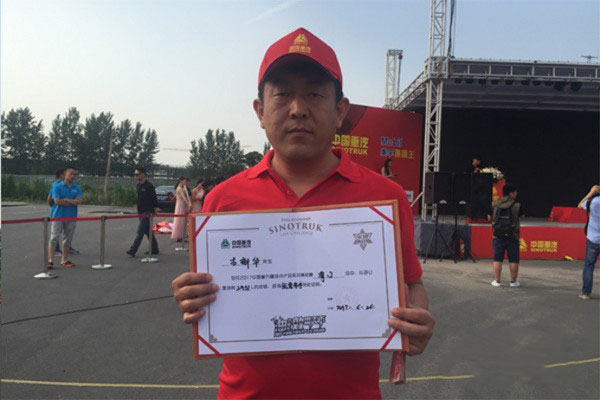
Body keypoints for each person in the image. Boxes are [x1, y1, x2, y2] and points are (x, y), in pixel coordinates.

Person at [171, 27, 435, 399]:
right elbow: (208, 298)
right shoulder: (223, 200)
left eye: (314, 94)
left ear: (340, 111)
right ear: (260, 111)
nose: (298, 109)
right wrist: (193, 297)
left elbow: (411, 284)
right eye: (282, 94)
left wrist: (417, 321)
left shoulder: (384, 198)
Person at [48, 167, 82, 268]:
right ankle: (51, 260)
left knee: (68, 239)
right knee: (54, 238)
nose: (73, 176)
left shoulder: (77, 188)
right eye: (71, 173)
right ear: (65, 174)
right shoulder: (57, 186)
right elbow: (57, 201)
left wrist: (66, 200)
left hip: (71, 217)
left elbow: (79, 201)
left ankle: (64, 259)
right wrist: (72, 202)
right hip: (58, 216)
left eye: (75, 174)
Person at [489, 184, 523, 287]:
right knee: (514, 259)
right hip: (513, 235)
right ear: (511, 193)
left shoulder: (495, 204)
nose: (516, 194)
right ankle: (513, 282)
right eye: (515, 192)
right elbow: (522, 217)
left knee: (497, 259)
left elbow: (489, 217)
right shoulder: (517, 205)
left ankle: (497, 281)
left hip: (497, 235)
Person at [127, 167, 159, 257]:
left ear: (143, 174)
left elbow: (154, 199)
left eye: (137, 174)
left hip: (148, 211)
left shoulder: (149, 186)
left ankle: (133, 250)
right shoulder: (138, 186)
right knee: (148, 231)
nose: (136, 176)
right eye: (135, 175)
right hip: (140, 211)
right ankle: (154, 248)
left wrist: (154, 210)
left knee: (140, 231)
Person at [577, 184, 600, 299]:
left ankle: (586, 293)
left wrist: (591, 193)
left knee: (589, 266)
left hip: (593, 238)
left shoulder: (593, 202)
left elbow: (580, 205)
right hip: (593, 238)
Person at [171, 176, 191, 242]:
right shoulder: (179, 188)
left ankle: (181, 236)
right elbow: (183, 197)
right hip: (180, 205)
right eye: (184, 181)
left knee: (182, 221)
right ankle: (178, 236)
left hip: (182, 205)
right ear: (181, 181)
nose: (185, 182)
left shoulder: (182, 188)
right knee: (180, 221)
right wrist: (188, 204)